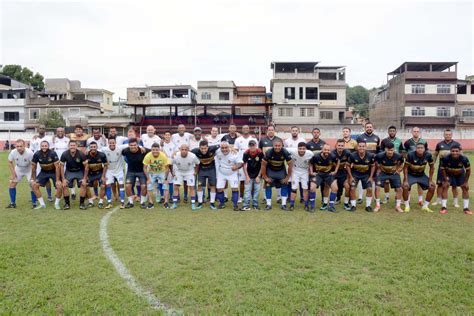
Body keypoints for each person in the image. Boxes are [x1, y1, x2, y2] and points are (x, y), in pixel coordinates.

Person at [402, 143, 435, 213]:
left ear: (424, 149)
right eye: (418, 148)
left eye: (421, 148)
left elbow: (432, 167)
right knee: (405, 186)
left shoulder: (428, 155)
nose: (420, 149)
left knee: (432, 186)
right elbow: (405, 168)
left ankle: (425, 206)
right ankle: (407, 206)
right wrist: (405, 179)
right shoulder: (410, 155)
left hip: (421, 175)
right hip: (411, 175)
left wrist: (430, 180)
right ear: (416, 149)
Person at [432, 129, 461, 208]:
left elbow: (460, 156)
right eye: (446, 134)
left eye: (449, 134)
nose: (447, 136)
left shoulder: (456, 144)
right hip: (442, 168)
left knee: (454, 185)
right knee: (440, 184)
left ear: (451, 135)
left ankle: (455, 202)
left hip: (453, 169)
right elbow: (435, 155)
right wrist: (432, 164)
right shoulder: (439, 144)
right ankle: (438, 200)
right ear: (444, 135)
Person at [261, 139, 292, 211]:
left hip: (281, 170)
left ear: (282, 146)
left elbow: (290, 165)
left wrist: (287, 177)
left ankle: (283, 205)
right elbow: (263, 165)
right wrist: (265, 177)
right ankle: (268, 205)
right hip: (270, 170)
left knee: (284, 184)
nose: (277, 147)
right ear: (273, 146)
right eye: (276, 146)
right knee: (268, 184)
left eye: (279, 146)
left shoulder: (285, 152)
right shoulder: (269, 152)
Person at [439, 145, 471, 215]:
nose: (455, 153)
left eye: (457, 151)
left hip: (460, 174)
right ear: (450, 151)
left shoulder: (464, 159)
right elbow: (442, 169)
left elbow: (468, 170)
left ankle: (466, 208)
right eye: (453, 151)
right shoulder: (446, 158)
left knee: (465, 188)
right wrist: (445, 179)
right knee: (445, 186)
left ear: (460, 152)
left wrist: (466, 182)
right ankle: (443, 207)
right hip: (449, 174)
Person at [31, 140, 62, 210]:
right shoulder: (37, 154)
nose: (44, 147)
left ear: (48, 146)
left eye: (45, 146)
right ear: (40, 146)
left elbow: (57, 167)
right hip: (44, 172)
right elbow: (33, 167)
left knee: (59, 186)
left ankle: (56, 204)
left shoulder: (53, 153)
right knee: (34, 185)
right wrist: (34, 179)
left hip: (53, 171)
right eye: (42, 146)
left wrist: (57, 180)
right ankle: (42, 204)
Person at [374, 142, 404, 213]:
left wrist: (398, 170)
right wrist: (378, 168)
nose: (390, 152)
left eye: (391, 150)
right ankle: (377, 205)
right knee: (377, 187)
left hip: (393, 173)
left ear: (394, 150)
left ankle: (398, 206)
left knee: (399, 188)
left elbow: (402, 163)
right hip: (382, 173)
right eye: (388, 150)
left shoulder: (398, 156)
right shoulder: (379, 155)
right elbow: (375, 162)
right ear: (385, 149)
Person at [403, 127, 429, 207]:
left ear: (419, 132)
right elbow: (404, 152)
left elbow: (426, 153)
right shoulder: (407, 142)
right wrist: (407, 160)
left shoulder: (424, 142)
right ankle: (408, 200)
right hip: (410, 165)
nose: (416, 133)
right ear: (412, 132)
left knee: (420, 183)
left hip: (420, 165)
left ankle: (420, 200)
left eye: (417, 131)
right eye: (414, 131)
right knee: (407, 183)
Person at [309, 143, 339, 213]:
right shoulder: (316, 156)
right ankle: (312, 206)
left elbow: (338, 162)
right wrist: (311, 172)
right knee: (312, 187)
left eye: (328, 150)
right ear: (322, 150)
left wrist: (335, 171)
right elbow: (310, 163)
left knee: (335, 188)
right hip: (318, 174)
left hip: (328, 174)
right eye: (325, 150)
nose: (326, 151)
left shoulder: (333, 156)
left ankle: (331, 206)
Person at [346, 141, 376, 212]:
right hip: (355, 174)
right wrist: (350, 176)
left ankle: (368, 206)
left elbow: (373, 166)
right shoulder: (352, 155)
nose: (361, 148)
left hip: (366, 175)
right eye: (360, 146)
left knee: (369, 189)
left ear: (366, 147)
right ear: (357, 147)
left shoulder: (370, 155)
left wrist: (371, 177)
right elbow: (347, 165)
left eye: (363, 146)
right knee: (352, 188)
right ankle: (353, 206)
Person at [6, 139, 36, 209]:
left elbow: (33, 164)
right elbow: (9, 162)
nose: (19, 148)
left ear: (24, 146)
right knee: (12, 184)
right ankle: (13, 203)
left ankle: (34, 203)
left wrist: (33, 176)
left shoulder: (29, 152)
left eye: (21, 146)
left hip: (28, 169)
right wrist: (13, 174)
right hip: (19, 168)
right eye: (17, 146)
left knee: (32, 184)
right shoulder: (13, 152)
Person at [170, 144, 200, 210]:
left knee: (192, 187)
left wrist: (196, 172)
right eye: (182, 149)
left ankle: (193, 204)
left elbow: (198, 163)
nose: (184, 151)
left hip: (189, 171)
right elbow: (170, 164)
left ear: (188, 150)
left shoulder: (192, 156)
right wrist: (172, 172)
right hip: (179, 171)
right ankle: (174, 203)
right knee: (176, 187)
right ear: (180, 150)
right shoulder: (175, 155)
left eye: (185, 150)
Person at [59, 140, 88, 210]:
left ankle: (82, 204)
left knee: (84, 184)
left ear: (76, 146)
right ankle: (67, 204)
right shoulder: (64, 154)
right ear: (69, 146)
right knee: (64, 185)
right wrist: (63, 179)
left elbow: (86, 167)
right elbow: (61, 166)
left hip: (79, 171)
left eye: (74, 145)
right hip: (69, 171)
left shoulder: (81, 154)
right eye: (71, 145)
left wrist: (84, 178)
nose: (72, 147)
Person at [379, 125, 404, 204]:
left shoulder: (399, 141)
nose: (392, 132)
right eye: (390, 131)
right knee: (386, 182)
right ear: (388, 132)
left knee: (396, 181)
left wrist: (399, 167)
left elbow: (401, 152)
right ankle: (387, 197)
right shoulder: (384, 141)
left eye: (393, 131)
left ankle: (397, 197)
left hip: (395, 163)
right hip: (386, 163)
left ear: (396, 132)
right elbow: (380, 152)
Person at [122, 138, 150, 209]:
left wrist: (141, 147)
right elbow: (120, 150)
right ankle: (130, 202)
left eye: (135, 145)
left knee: (144, 186)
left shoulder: (143, 150)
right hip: (131, 171)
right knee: (128, 186)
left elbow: (153, 150)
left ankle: (142, 202)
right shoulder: (126, 151)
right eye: (131, 145)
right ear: (129, 145)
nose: (133, 147)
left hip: (141, 171)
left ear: (137, 145)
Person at [215, 141, 243, 211]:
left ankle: (235, 205)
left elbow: (241, 163)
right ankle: (222, 204)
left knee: (234, 188)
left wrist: (236, 166)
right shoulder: (217, 151)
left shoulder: (234, 153)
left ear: (229, 147)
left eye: (226, 147)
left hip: (232, 173)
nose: (224, 149)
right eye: (222, 148)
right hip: (221, 173)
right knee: (219, 188)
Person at [191, 140, 219, 210]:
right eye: (202, 148)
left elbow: (223, 145)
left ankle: (212, 203)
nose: (203, 150)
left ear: (208, 147)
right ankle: (200, 202)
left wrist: (232, 148)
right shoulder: (195, 151)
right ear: (199, 148)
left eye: (205, 148)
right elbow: (186, 151)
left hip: (211, 170)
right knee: (200, 186)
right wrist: (175, 153)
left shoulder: (213, 148)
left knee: (213, 186)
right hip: (201, 170)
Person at [286, 142, 313, 211]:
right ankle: (292, 205)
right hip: (295, 170)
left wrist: (311, 171)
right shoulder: (293, 151)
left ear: (306, 149)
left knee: (305, 188)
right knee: (294, 188)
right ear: (297, 148)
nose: (301, 150)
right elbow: (283, 149)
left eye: (303, 149)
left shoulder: (310, 153)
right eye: (300, 148)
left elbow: (313, 161)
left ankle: (306, 205)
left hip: (305, 171)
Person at [234, 125, 258, 203]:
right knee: (242, 181)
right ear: (242, 129)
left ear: (249, 129)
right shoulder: (238, 140)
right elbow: (236, 152)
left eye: (247, 128)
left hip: (252, 163)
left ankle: (252, 197)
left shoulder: (253, 139)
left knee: (253, 180)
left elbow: (256, 151)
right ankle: (241, 197)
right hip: (241, 163)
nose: (245, 129)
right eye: (244, 128)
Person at [101, 137, 127, 209]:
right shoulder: (104, 149)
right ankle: (109, 203)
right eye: (110, 143)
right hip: (109, 171)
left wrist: (141, 147)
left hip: (119, 171)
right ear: (108, 143)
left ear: (115, 143)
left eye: (113, 143)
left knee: (121, 185)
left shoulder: (120, 147)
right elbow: (96, 150)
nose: (112, 144)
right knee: (108, 185)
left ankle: (122, 202)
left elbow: (130, 145)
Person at [143, 143, 171, 209]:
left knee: (166, 185)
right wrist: (148, 179)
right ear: (151, 150)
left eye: (156, 149)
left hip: (162, 171)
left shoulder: (163, 156)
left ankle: (166, 202)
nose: (155, 151)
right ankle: (151, 202)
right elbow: (144, 167)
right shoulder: (148, 156)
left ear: (159, 150)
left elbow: (167, 168)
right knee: (149, 185)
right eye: (153, 150)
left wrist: (166, 179)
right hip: (152, 172)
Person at [84, 142, 108, 209]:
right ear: (89, 148)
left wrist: (103, 176)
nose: (93, 148)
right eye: (91, 147)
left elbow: (106, 166)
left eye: (94, 146)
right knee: (86, 185)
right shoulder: (86, 155)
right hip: (90, 174)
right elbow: (84, 167)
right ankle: (90, 202)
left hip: (99, 173)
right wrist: (86, 177)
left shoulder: (102, 155)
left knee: (103, 185)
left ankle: (100, 202)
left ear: (97, 147)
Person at [241, 140, 264, 211]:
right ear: (248, 146)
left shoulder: (260, 152)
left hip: (258, 174)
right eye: (250, 145)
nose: (252, 147)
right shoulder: (246, 153)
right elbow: (244, 165)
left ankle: (255, 205)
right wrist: (247, 176)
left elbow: (262, 164)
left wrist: (259, 176)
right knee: (247, 190)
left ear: (256, 145)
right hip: (249, 174)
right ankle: (246, 205)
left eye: (253, 145)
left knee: (257, 190)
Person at [332, 139, 352, 210]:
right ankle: (336, 199)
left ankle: (346, 203)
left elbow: (351, 163)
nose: (340, 147)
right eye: (339, 145)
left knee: (347, 187)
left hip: (343, 172)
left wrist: (349, 174)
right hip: (334, 172)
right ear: (336, 145)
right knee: (335, 188)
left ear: (344, 146)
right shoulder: (332, 153)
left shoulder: (347, 153)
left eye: (342, 146)